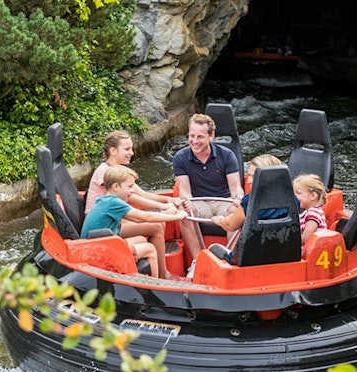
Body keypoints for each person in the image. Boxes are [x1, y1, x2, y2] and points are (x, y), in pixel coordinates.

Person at [85, 130, 185, 277]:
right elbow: (133, 199)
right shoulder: (108, 174)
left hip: (113, 221)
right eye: (127, 149)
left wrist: (167, 200)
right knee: (156, 226)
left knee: (152, 226)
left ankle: (151, 269)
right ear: (113, 151)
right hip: (104, 230)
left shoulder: (121, 174)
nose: (131, 152)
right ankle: (162, 277)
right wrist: (169, 211)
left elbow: (141, 194)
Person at [173, 113, 243, 260]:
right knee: (184, 214)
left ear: (211, 136)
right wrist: (187, 203)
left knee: (238, 211)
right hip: (199, 202)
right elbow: (185, 191)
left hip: (223, 201)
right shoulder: (180, 158)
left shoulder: (227, 155)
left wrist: (238, 198)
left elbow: (235, 188)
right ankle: (197, 261)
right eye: (191, 136)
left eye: (200, 137)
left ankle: (227, 258)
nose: (194, 141)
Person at [210, 154, 287, 246]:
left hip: (254, 253)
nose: (249, 181)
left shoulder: (250, 201)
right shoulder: (292, 198)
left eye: (254, 176)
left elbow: (230, 225)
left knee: (212, 248)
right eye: (249, 175)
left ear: (268, 176)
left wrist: (219, 220)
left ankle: (232, 258)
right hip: (283, 249)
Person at [293, 173, 328, 246]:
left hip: (311, 251)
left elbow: (305, 239)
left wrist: (287, 240)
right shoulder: (308, 212)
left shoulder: (313, 214)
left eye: (298, 193)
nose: (294, 197)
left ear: (313, 196)